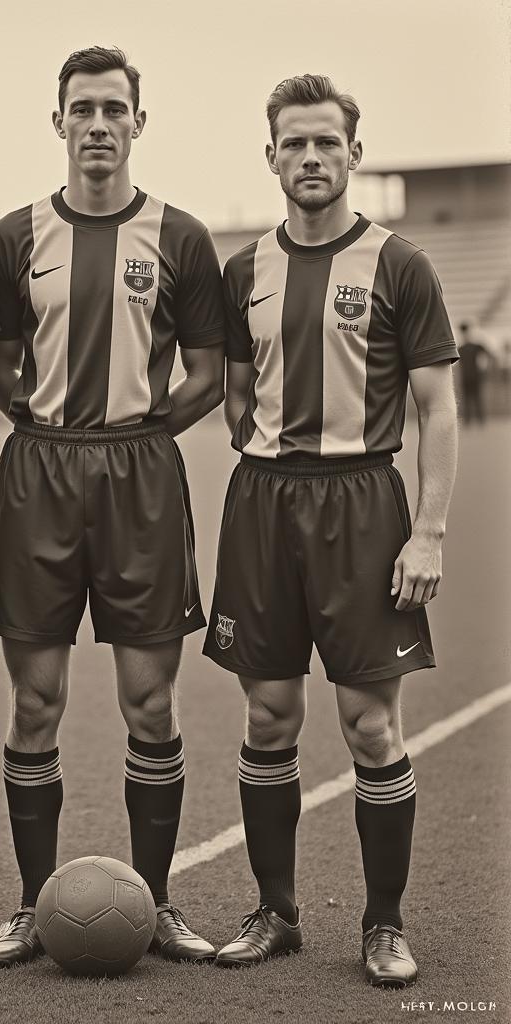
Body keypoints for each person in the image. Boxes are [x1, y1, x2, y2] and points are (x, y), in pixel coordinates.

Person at [203, 74, 458, 989]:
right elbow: (237, 393)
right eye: (293, 143)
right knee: (268, 716)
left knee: (369, 726)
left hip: (362, 505)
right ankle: (276, 912)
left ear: (354, 151)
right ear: (270, 153)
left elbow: (438, 406)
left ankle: (384, 923)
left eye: (326, 143)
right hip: (264, 504)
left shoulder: (399, 264)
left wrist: (425, 532)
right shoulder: (245, 272)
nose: (310, 157)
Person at [0, 46, 225, 968]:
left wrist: (139, 432)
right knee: (34, 701)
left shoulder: (182, 237)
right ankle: (29, 907)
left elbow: (208, 371)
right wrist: (44, 422)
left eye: (112, 109)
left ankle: (155, 903)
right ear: (57, 123)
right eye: (80, 109)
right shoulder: (14, 238)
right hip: (39, 474)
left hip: (140, 478)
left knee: (149, 700)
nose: (96, 125)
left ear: (137, 123)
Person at [455, 321, 490, 425]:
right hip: (468, 377)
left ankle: (477, 420)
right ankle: (471, 420)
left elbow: (487, 354)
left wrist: (484, 368)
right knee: (470, 399)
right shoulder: (463, 348)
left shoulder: (469, 347)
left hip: (473, 376)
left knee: (475, 399)